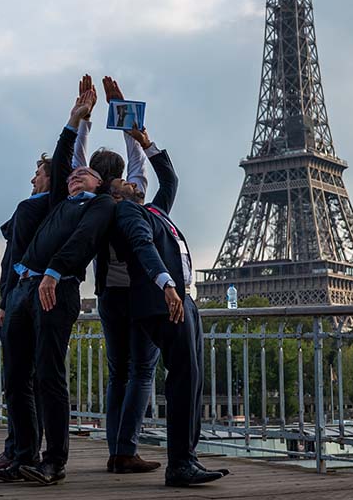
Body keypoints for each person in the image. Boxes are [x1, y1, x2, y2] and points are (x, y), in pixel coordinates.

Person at [0, 75, 124, 486]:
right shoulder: (61, 199)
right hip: (24, 290)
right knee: (15, 378)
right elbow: (65, 158)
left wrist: (53, 271)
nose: (76, 174)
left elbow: (83, 243)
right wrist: (74, 119)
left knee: (48, 375)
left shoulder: (101, 206)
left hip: (56, 289)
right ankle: (22, 454)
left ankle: (54, 461)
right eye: (72, 174)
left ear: (101, 183)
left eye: (85, 173)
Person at [112, 133, 228, 487]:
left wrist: (144, 141)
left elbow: (170, 179)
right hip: (163, 302)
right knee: (182, 378)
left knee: (191, 378)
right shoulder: (127, 212)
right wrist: (167, 285)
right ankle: (179, 462)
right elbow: (143, 247)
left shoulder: (154, 210)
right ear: (116, 194)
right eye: (124, 181)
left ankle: (186, 458)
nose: (133, 180)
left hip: (182, 299)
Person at [94, 77, 161, 475]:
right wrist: (123, 113)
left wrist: (83, 121)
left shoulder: (91, 203)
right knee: (142, 371)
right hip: (137, 295)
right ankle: (126, 449)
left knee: (118, 372)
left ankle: (115, 448)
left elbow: (76, 160)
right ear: (118, 177)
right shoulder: (133, 197)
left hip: (108, 296)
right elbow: (137, 157)